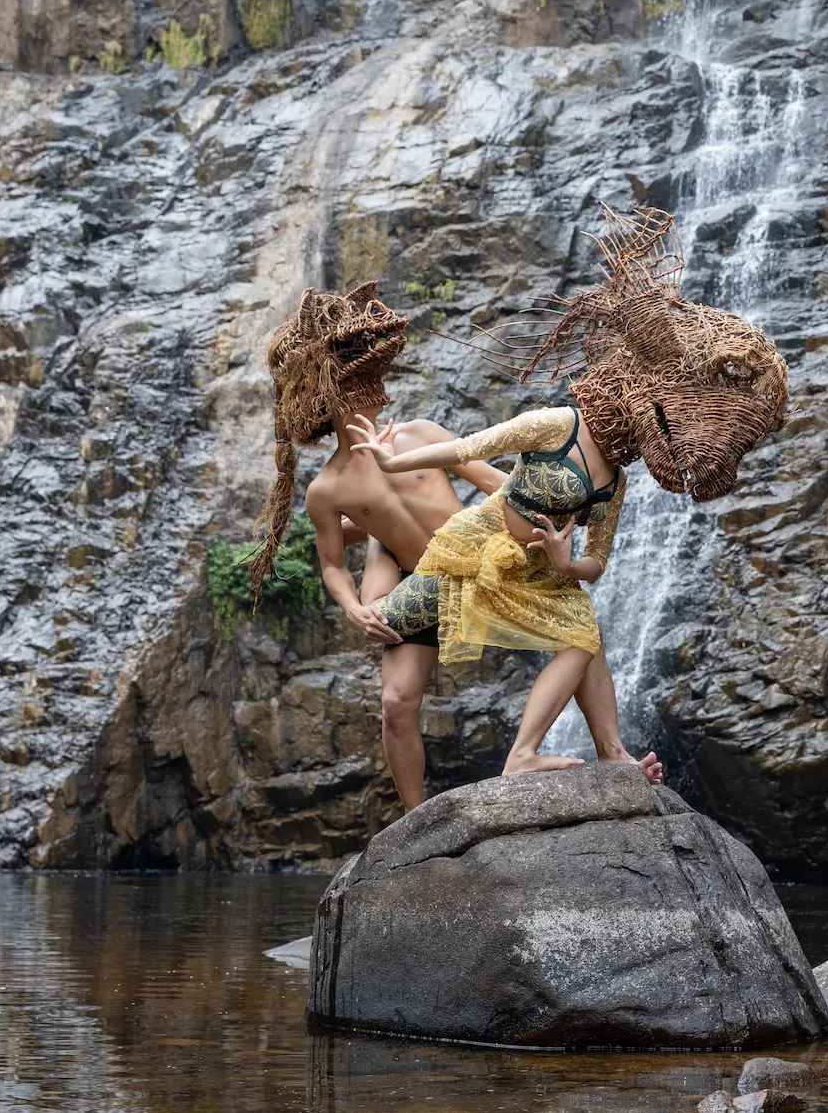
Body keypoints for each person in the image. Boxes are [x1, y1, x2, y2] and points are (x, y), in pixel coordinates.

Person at [354, 206, 791, 770]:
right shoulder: (558, 425)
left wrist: (566, 562)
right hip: (478, 552)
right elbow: (468, 448)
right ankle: (378, 542)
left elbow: (597, 564)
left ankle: (573, 754)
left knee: (584, 633)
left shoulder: (618, 481)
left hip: (540, 574)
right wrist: (392, 464)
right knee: (383, 620)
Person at [246, 283, 657, 811]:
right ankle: (417, 824)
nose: (378, 390)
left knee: (581, 627)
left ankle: (613, 752)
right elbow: (330, 564)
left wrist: (548, 513)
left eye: (375, 380)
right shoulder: (326, 490)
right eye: (362, 383)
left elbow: (495, 483)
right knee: (396, 701)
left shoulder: (420, 435)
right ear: (333, 397)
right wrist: (352, 607)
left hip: (482, 561)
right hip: (423, 586)